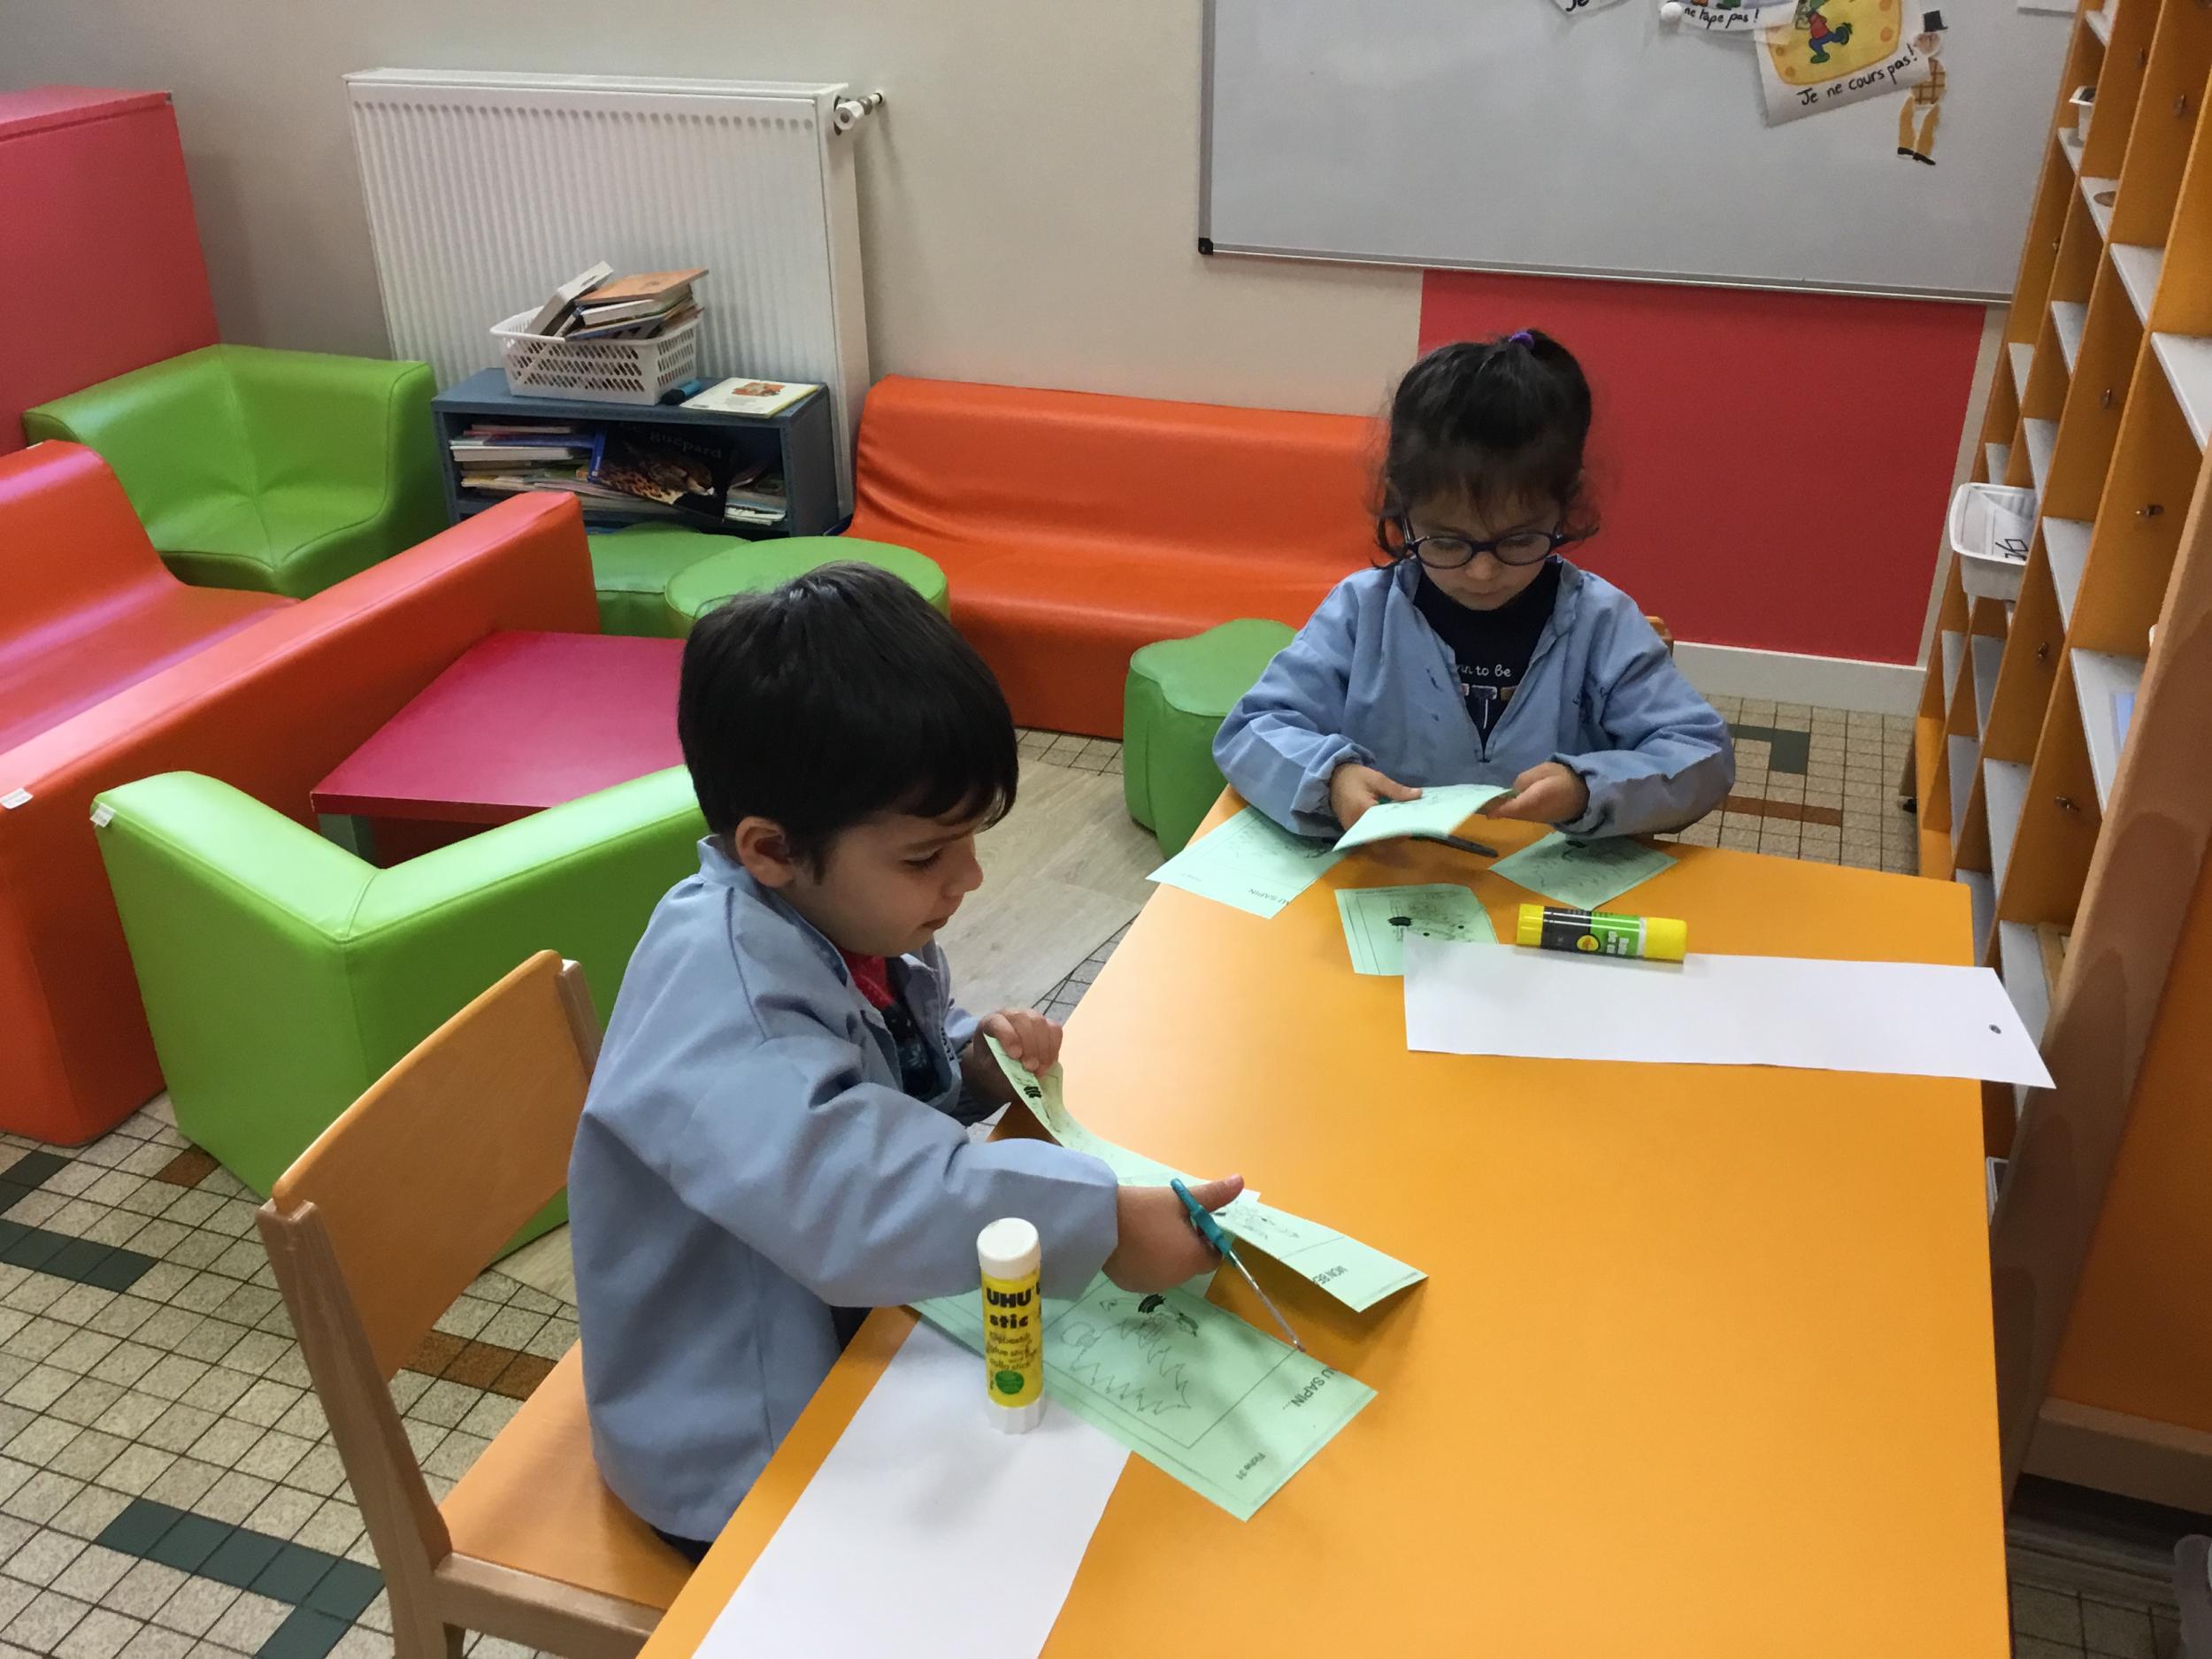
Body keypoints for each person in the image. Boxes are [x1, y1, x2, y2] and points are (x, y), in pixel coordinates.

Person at [570, 563, 1243, 1557]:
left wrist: (968, 1065)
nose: (968, 877)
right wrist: (1097, 1221)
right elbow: (854, 1192)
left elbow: (872, 1066)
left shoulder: (831, 913)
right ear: (770, 848)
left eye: (968, 840)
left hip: (835, 1324)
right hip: (734, 1444)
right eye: (926, 856)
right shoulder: (723, 994)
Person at [1215, 331, 1733, 842]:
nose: (1482, 573)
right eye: (1446, 542)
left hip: (1547, 882)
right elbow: (1251, 730)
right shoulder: (1361, 612)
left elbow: (1702, 755)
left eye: (1519, 540)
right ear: (1402, 509)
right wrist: (1332, 781)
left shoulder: (1601, 623)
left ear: (1564, 507)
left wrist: (1588, 788)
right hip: (1392, 875)